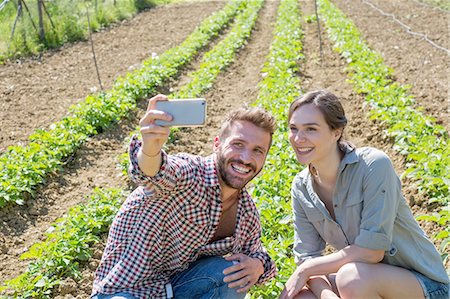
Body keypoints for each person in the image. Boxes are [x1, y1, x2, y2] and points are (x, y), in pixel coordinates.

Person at [91, 94, 277, 299]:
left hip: (175, 289)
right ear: (217, 144)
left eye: (257, 150)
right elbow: (154, 173)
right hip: (127, 291)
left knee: (235, 274)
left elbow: (258, 254)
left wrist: (258, 265)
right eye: (238, 144)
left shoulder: (245, 213)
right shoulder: (189, 174)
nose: (245, 158)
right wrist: (151, 149)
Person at [280, 90, 449, 299]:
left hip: (425, 287)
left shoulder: (373, 165)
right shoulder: (301, 187)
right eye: (293, 128)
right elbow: (308, 256)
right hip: (363, 283)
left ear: (336, 132)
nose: (298, 138)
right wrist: (326, 295)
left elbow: (371, 252)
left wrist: (305, 270)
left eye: (311, 129)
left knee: (351, 278)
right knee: (302, 296)